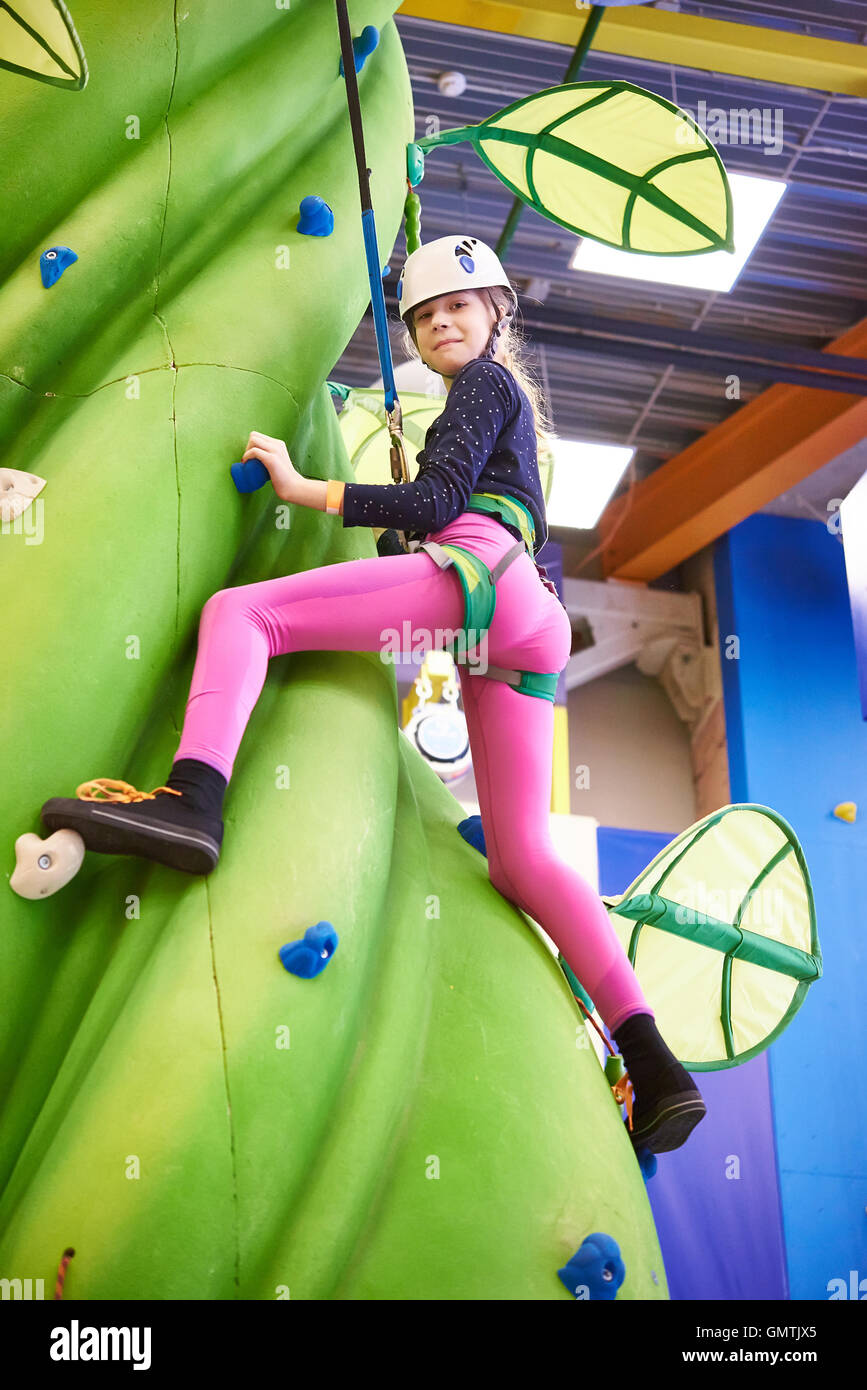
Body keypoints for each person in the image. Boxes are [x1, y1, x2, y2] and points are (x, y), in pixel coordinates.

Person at [40, 234, 705, 1154]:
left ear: (496, 314)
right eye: (425, 318)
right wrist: (406, 524)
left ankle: (194, 801)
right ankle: (653, 1060)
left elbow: (435, 510)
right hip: (523, 621)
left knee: (243, 614)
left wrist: (305, 487)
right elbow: (443, 512)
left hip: (479, 582)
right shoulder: (498, 412)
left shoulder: (483, 385)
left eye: (458, 309)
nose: (440, 325)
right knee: (521, 860)